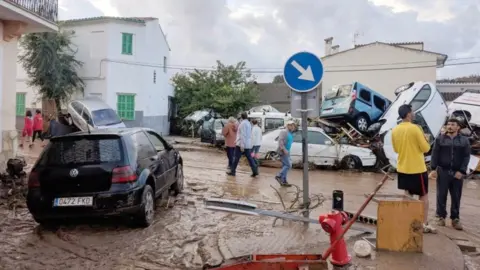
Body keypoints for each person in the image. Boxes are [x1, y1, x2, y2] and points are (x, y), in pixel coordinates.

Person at [391, 104, 436, 233]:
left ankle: (407, 221)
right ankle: (423, 223)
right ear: (409, 114)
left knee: (407, 195)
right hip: (417, 169)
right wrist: (426, 140)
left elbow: (395, 149)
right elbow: (426, 149)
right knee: (423, 197)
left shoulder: (395, 130)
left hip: (402, 168)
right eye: (413, 111)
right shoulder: (416, 128)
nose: (414, 113)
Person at [430, 118, 470, 230]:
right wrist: (433, 169)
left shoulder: (464, 141)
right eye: (448, 124)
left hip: (457, 173)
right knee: (441, 195)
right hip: (443, 171)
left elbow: (466, 157)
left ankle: (455, 219)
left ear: (458, 127)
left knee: (456, 196)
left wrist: (462, 171)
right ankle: (440, 217)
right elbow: (435, 154)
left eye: (453, 124)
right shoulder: (440, 139)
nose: (450, 126)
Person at [228, 112, 258, 177]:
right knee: (250, 158)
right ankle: (255, 171)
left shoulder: (242, 124)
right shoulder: (249, 123)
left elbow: (243, 135)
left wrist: (242, 145)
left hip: (241, 144)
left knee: (236, 158)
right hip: (247, 144)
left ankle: (233, 171)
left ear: (241, 117)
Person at [275, 120, 296, 187]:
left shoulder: (290, 133)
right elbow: (280, 141)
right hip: (283, 151)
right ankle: (279, 176)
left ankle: (283, 181)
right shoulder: (284, 132)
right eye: (290, 125)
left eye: (293, 125)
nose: (292, 127)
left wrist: (287, 151)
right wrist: (284, 150)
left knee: (285, 166)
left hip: (287, 151)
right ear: (287, 125)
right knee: (288, 165)